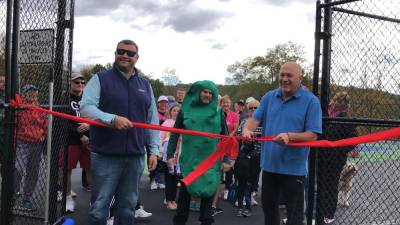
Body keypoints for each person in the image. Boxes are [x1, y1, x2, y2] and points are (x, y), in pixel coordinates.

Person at [81, 39, 159, 225]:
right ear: (115, 54)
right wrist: (112, 119)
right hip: (105, 155)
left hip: (135, 156)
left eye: (130, 53)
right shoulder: (100, 78)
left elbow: (152, 120)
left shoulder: (145, 85)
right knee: (99, 207)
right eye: (120, 51)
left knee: (128, 207)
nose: (124, 55)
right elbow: (86, 108)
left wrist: (154, 150)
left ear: (137, 58)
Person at [242, 62, 322, 225]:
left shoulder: (311, 101)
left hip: (294, 170)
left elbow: (313, 135)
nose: (284, 79)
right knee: (269, 212)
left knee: (294, 216)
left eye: (289, 75)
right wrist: (246, 130)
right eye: (282, 75)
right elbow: (253, 120)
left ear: (300, 78)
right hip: (269, 167)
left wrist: (289, 136)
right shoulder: (269, 97)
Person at [167, 80, 232, 225]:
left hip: (210, 162)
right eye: (205, 91)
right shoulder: (185, 110)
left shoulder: (218, 112)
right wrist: (170, 154)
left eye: (210, 93)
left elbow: (226, 137)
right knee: (184, 198)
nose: (207, 95)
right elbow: (174, 134)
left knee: (207, 200)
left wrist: (227, 159)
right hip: (189, 161)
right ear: (198, 92)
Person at [316, 91, 357, 225]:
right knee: (322, 183)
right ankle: (321, 211)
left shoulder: (346, 119)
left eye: (336, 101)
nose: (333, 103)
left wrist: (340, 150)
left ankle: (329, 214)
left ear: (341, 104)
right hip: (324, 155)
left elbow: (353, 140)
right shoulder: (330, 117)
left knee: (331, 184)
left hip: (335, 158)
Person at [15, 84, 48, 210]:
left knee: (33, 172)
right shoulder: (20, 106)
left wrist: (43, 135)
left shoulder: (39, 107)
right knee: (18, 170)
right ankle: (12, 196)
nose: (32, 94)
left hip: (37, 143)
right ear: (24, 94)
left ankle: (26, 199)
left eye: (34, 92)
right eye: (29, 92)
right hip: (22, 142)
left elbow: (45, 123)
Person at [65, 72, 91, 213]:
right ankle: (68, 198)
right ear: (70, 83)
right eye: (77, 82)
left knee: (90, 169)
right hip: (71, 140)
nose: (80, 85)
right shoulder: (63, 98)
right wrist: (79, 134)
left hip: (88, 140)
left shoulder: (89, 98)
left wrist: (90, 127)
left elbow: (95, 116)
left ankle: (95, 200)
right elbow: (63, 121)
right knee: (67, 170)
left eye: (82, 82)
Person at [211, 95, 238, 215]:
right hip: (213, 147)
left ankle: (213, 204)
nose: (225, 105)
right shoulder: (215, 114)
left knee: (221, 172)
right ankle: (207, 203)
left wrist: (227, 138)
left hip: (227, 145)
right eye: (223, 103)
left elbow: (234, 130)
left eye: (227, 103)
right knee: (212, 174)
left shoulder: (233, 115)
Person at [235, 99, 262, 217]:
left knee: (252, 182)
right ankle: (240, 205)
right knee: (242, 181)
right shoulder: (244, 121)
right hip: (244, 156)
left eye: (256, 108)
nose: (253, 110)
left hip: (258, 156)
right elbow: (238, 135)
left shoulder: (263, 122)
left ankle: (248, 205)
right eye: (251, 108)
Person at [160, 103, 181, 210]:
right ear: (170, 112)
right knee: (169, 179)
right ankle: (169, 200)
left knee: (175, 180)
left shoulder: (182, 124)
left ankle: (173, 199)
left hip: (178, 157)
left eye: (178, 111)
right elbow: (161, 138)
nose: (176, 113)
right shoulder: (166, 123)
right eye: (174, 111)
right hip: (168, 156)